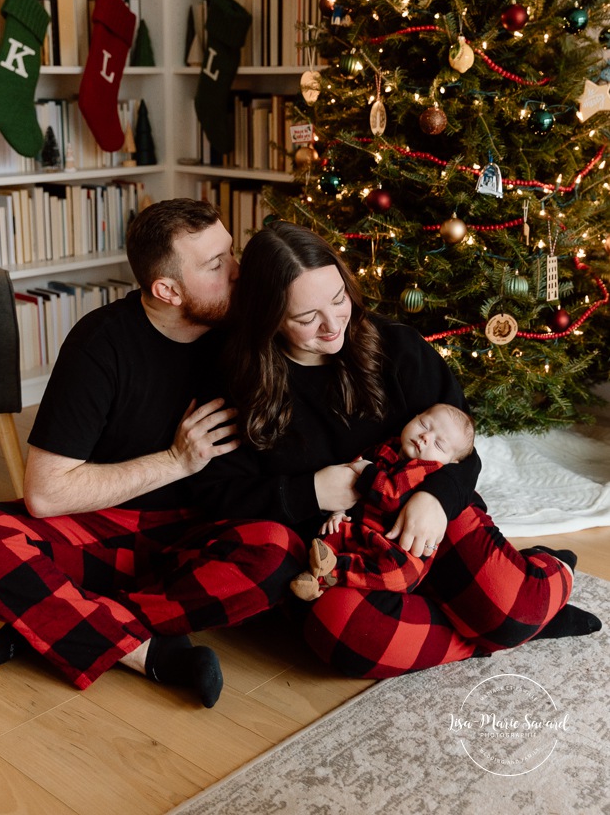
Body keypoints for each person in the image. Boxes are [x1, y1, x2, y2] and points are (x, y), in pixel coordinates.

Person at [0, 200, 305, 707]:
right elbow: (45, 493)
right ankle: (149, 653)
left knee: (277, 550)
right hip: (109, 528)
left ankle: (58, 624)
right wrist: (175, 460)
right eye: (216, 265)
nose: (238, 272)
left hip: (206, 530)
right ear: (167, 290)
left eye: (230, 252)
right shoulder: (100, 343)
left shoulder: (247, 328)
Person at [188, 221, 601, 680]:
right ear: (267, 317)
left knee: (512, 610)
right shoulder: (233, 385)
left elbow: (464, 450)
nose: (332, 325)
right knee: (346, 634)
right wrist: (310, 492)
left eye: (339, 299)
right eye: (306, 318)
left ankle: (542, 578)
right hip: (340, 555)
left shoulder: (397, 348)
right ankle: (501, 628)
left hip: (422, 518)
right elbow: (214, 496)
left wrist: (436, 500)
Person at [289, 403, 475, 601]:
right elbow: (345, 479)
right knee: (329, 534)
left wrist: (365, 471)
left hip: (395, 546)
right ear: (415, 416)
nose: (425, 437)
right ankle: (317, 574)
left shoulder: (427, 468)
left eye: (439, 445)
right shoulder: (384, 447)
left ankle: (331, 574)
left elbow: (391, 497)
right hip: (359, 529)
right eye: (424, 424)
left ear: (451, 463)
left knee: (403, 574)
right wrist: (338, 513)